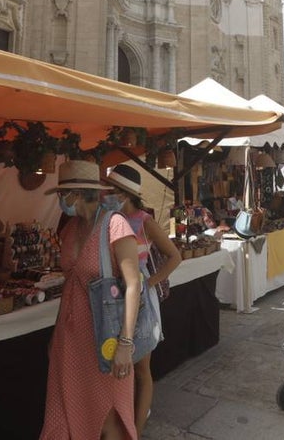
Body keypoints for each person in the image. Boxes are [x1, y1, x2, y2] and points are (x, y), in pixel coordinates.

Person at [40, 161, 141, 440]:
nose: (62, 200)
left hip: (105, 338)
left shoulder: (115, 224)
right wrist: (55, 334)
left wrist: (125, 344)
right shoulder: (71, 229)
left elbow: (133, 285)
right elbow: (71, 285)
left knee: (109, 417)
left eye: (64, 194)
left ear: (78, 193)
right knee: (67, 411)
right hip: (69, 340)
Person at [104, 164, 181, 435]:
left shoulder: (143, 221)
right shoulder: (105, 218)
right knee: (116, 367)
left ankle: (136, 429)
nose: (106, 196)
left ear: (124, 193)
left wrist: (149, 282)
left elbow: (175, 256)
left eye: (111, 191)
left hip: (140, 299)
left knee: (141, 369)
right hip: (111, 299)